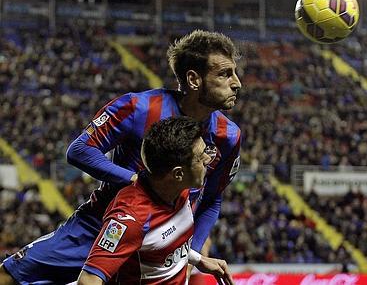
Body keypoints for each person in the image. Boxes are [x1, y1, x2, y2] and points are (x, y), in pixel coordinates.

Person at [1, 30, 242, 284]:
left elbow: (213, 198)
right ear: (194, 79)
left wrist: (192, 247)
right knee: (8, 276)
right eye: (225, 74)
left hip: (164, 240)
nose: (237, 82)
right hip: (101, 225)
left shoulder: (229, 137)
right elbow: (80, 150)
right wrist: (134, 179)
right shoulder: (139, 108)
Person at [77, 117, 233, 284]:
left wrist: (197, 259)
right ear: (178, 173)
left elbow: (159, 244)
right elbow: (88, 280)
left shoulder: (180, 188)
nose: (208, 160)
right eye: (201, 158)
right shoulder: (130, 218)